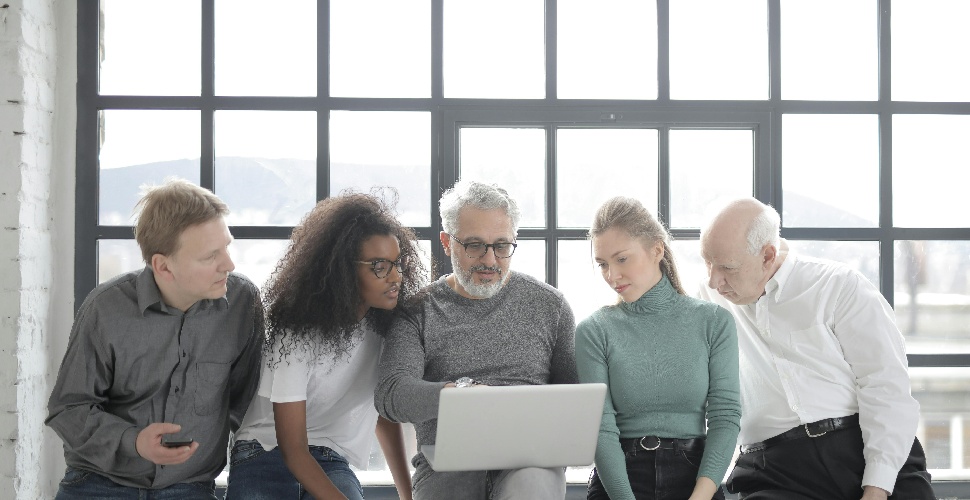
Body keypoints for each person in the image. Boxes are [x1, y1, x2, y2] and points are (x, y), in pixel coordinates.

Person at [698, 197, 934, 500]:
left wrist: (877, 488)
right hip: (776, 472)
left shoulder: (838, 286)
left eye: (727, 267)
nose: (714, 280)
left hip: (862, 447)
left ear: (767, 256)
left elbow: (885, 385)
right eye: (707, 262)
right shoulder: (706, 298)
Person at [46, 178, 264, 499]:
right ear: (163, 266)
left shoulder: (243, 302)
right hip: (98, 483)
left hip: (189, 486)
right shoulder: (106, 307)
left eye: (227, 246)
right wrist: (134, 442)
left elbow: (247, 405)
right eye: (210, 256)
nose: (228, 264)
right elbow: (68, 409)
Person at [374, 179, 578, 500]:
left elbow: (577, 400)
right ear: (446, 242)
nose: (489, 260)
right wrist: (460, 395)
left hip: (530, 465)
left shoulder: (550, 305)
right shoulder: (418, 310)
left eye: (501, 245)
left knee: (532, 487)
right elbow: (391, 395)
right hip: (447, 469)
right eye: (474, 245)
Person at [226, 192, 422, 500]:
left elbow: (383, 416)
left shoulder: (386, 328)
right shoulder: (296, 332)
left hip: (331, 458)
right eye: (380, 266)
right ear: (343, 268)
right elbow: (293, 451)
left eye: (397, 264)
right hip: (264, 451)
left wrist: (408, 495)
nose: (396, 276)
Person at [576, 197, 740, 500]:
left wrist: (700, 497)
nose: (612, 275)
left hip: (696, 479)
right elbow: (601, 429)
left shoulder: (714, 322)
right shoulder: (594, 330)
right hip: (619, 482)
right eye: (602, 264)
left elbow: (725, 416)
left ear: (657, 250)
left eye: (621, 259)